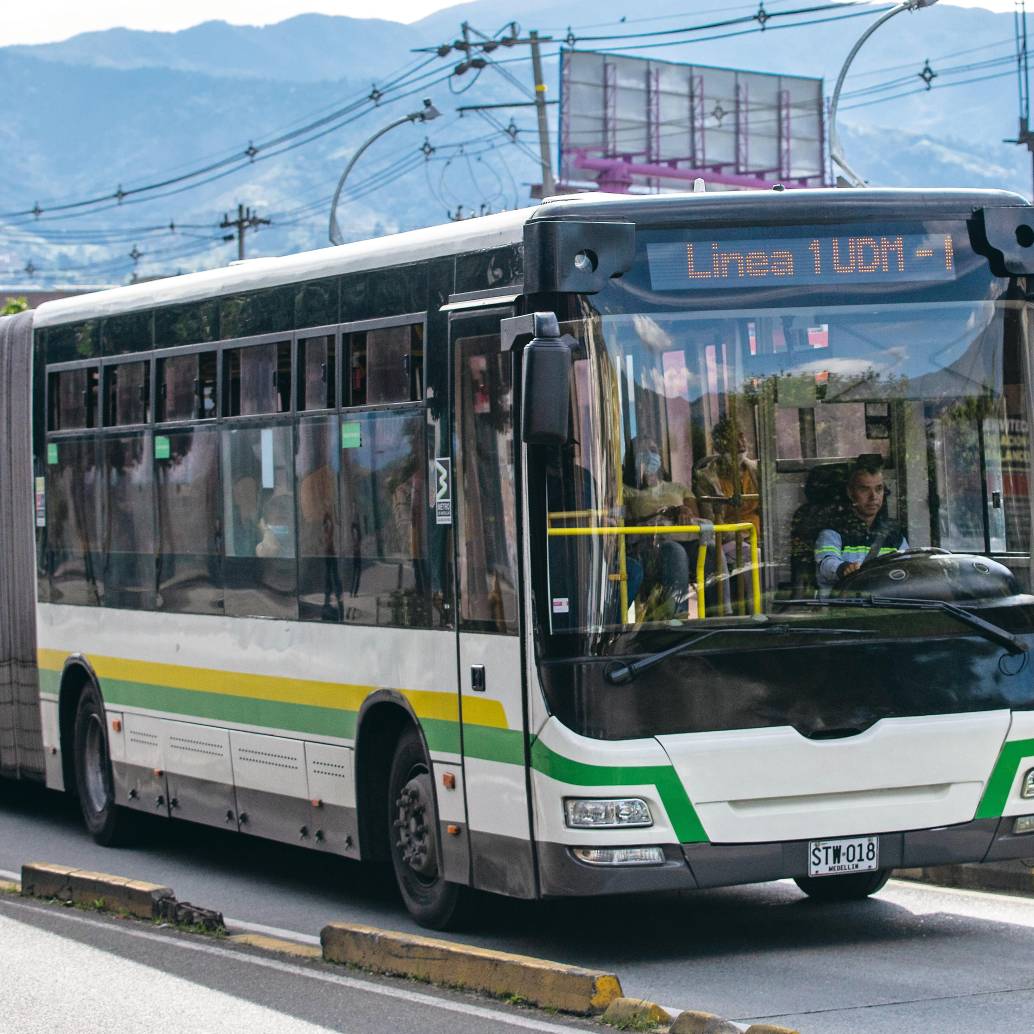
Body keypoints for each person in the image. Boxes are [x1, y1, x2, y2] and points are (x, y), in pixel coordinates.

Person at [622, 435, 697, 617]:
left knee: (710, 551)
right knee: (675, 551)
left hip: (685, 537)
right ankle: (676, 616)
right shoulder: (625, 491)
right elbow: (621, 521)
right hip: (649, 546)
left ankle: (726, 614)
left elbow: (695, 516)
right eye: (643, 451)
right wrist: (659, 514)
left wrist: (684, 511)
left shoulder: (678, 488)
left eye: (653, 451)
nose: (650, 455)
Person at [814, 459, 908, 591]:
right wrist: (843, 568)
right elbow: (826, 565)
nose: (873, 496)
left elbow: (908, 566)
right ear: (850, 493)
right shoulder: (832, 532)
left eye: (879, 489)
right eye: (864, 489)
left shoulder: (894, 534)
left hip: (885, 600)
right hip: (843, 601)